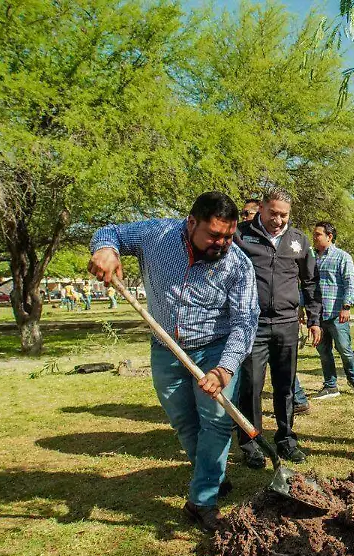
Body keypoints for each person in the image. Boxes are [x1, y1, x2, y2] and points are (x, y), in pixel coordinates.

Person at [88, 192, 258, 533]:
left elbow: (245, 321)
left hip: (215, 348)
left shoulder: (238, 265)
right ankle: (210, 475)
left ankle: (202, 500)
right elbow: (111, 233)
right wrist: (106, 249)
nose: (222, 243)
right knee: (184, 422)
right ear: (191, 223)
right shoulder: (157, 235)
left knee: (217, 424)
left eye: (229, 235)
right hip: (165, 348)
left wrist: (225, 368)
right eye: (215, 235)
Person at [234, 187, 322, 465]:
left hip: (287, 323)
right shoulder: (240, 235)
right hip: (252, 325)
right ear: (261, 208)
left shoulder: (298, 240)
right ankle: (251, 443)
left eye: (284, 215)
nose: (278, 220)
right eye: (273, 213)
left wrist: (314, 318)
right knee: (251, 386)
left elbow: (309, 281)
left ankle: (285, 438)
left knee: (285, 386)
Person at [311, 221, 354, 399]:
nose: (314, 237)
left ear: (329, 236)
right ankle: (330, 385)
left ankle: (353, 379)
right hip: (317, 316)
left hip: (336, 314)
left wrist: (346, 306)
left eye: (318, 234)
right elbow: (306, 285)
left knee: (345, 350)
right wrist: (303, 309)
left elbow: (350, 284)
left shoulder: (342, 257)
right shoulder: (311, 257)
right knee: (323, 352)